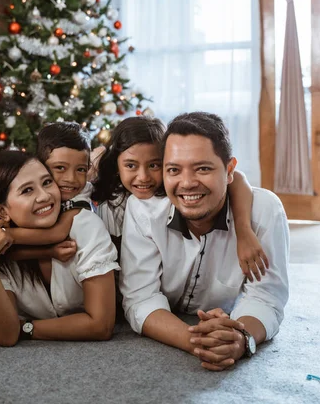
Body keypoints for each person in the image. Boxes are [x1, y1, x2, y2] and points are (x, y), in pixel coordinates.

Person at [120, 112, 289, 371]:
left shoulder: (265, 211)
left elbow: (266, 297)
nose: (187, 183)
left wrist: (240, 339)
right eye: (174, 170)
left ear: (230, 170)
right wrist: (198, 342)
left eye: (203, 168)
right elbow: (140, 298)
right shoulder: (143, 209)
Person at [0, 150, 119, 347]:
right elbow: (5, 336)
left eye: (47, 182)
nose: (45, 196)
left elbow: (101, 326)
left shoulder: (85, 225)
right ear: (2, 211)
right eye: (27, 190)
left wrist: (24, 326)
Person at [93, 116, 269, 282]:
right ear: (116, 165)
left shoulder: (178, 194)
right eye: (131, 165)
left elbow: (236, 178)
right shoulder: (109, 202)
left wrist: (243, 230)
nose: (143, 177)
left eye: (154, 165)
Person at [1, 122, 94, 263]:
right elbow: (8, 255)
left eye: (80, 169)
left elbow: (56, 233)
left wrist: (4, 234)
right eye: (60, 167)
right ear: (41, 166)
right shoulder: (30, 195)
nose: (71, 179)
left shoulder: (81, 198)